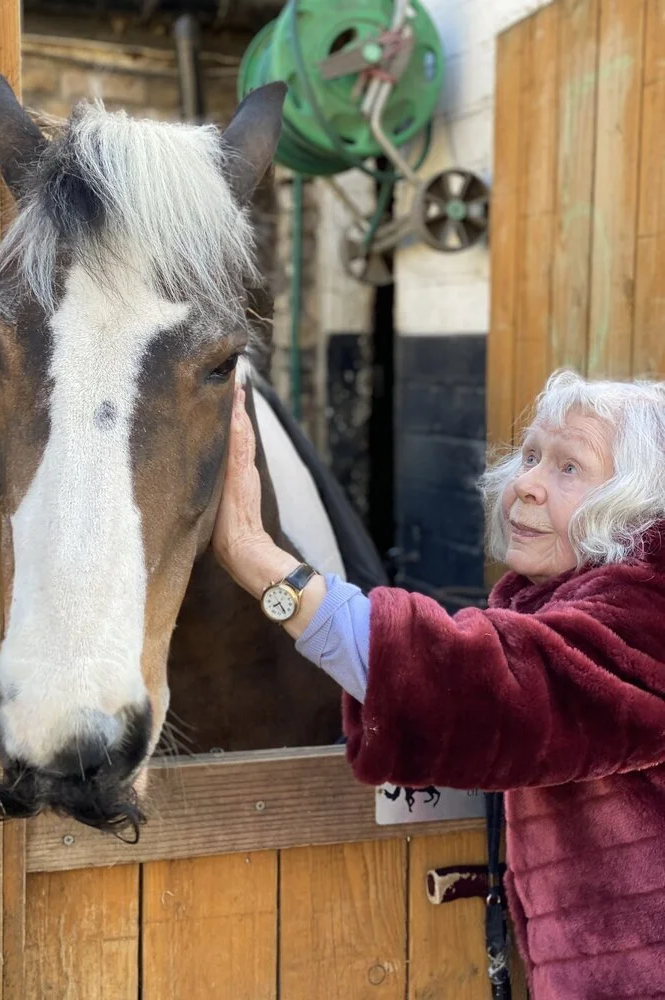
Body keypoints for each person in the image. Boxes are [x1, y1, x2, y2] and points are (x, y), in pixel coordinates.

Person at [212, 368, 665, 1000]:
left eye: (569, 468)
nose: (526, 485)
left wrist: (261, 561)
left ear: (637, 504)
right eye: (530, 455)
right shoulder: (558, 601)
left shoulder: (650, 615)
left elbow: (480, 688)